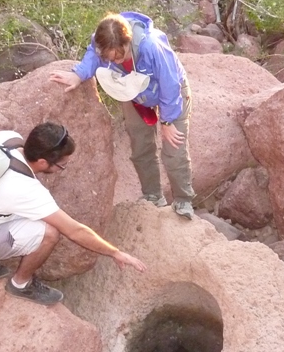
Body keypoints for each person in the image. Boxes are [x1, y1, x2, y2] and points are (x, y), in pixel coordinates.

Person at [0, 121, 147, 306]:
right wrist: (115, 252)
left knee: (32, 213)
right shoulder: (25, 190)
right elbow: (75, 231)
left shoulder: (7, 139)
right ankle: (20, 284)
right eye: (62, 165)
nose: (63, 168)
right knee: (49, 232)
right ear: (43, 162)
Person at [50, 12, 195, 219]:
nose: (117, 59)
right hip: (133, 91)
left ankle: (183, 200)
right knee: (140, 147)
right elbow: (92, 54)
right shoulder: (100, 43)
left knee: (174, 150)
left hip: (170, 94)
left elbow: (170, 84)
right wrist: (78, 74)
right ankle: (153, 196)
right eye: (111, 57)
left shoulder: (151, 46)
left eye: (121, 54)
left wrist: (167, 121)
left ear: (128, 41)